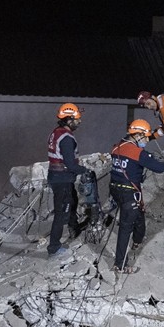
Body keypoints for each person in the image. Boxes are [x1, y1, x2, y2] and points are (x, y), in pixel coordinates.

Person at [108, 118, 164, 273]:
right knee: (126, 227)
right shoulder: (138, 153)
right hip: (129, 192)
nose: (146, 140)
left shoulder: (116, 147)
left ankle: (137, 241)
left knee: (138, 215)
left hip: (115, 190)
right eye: (144, 137)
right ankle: (120, 264)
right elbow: (158, 168)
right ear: (137, 135)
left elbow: (130, 161)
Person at [47, 102, 91, 260]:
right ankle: (54, 247)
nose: (79, 122)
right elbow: (70, 164)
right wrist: (85, 170)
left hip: (57, 177)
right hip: (62, 179)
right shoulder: (66, 138)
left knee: (71, 201)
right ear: (69, 119)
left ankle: (74, 228)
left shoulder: (57, 132)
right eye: (77, 119)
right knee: (61, 213)